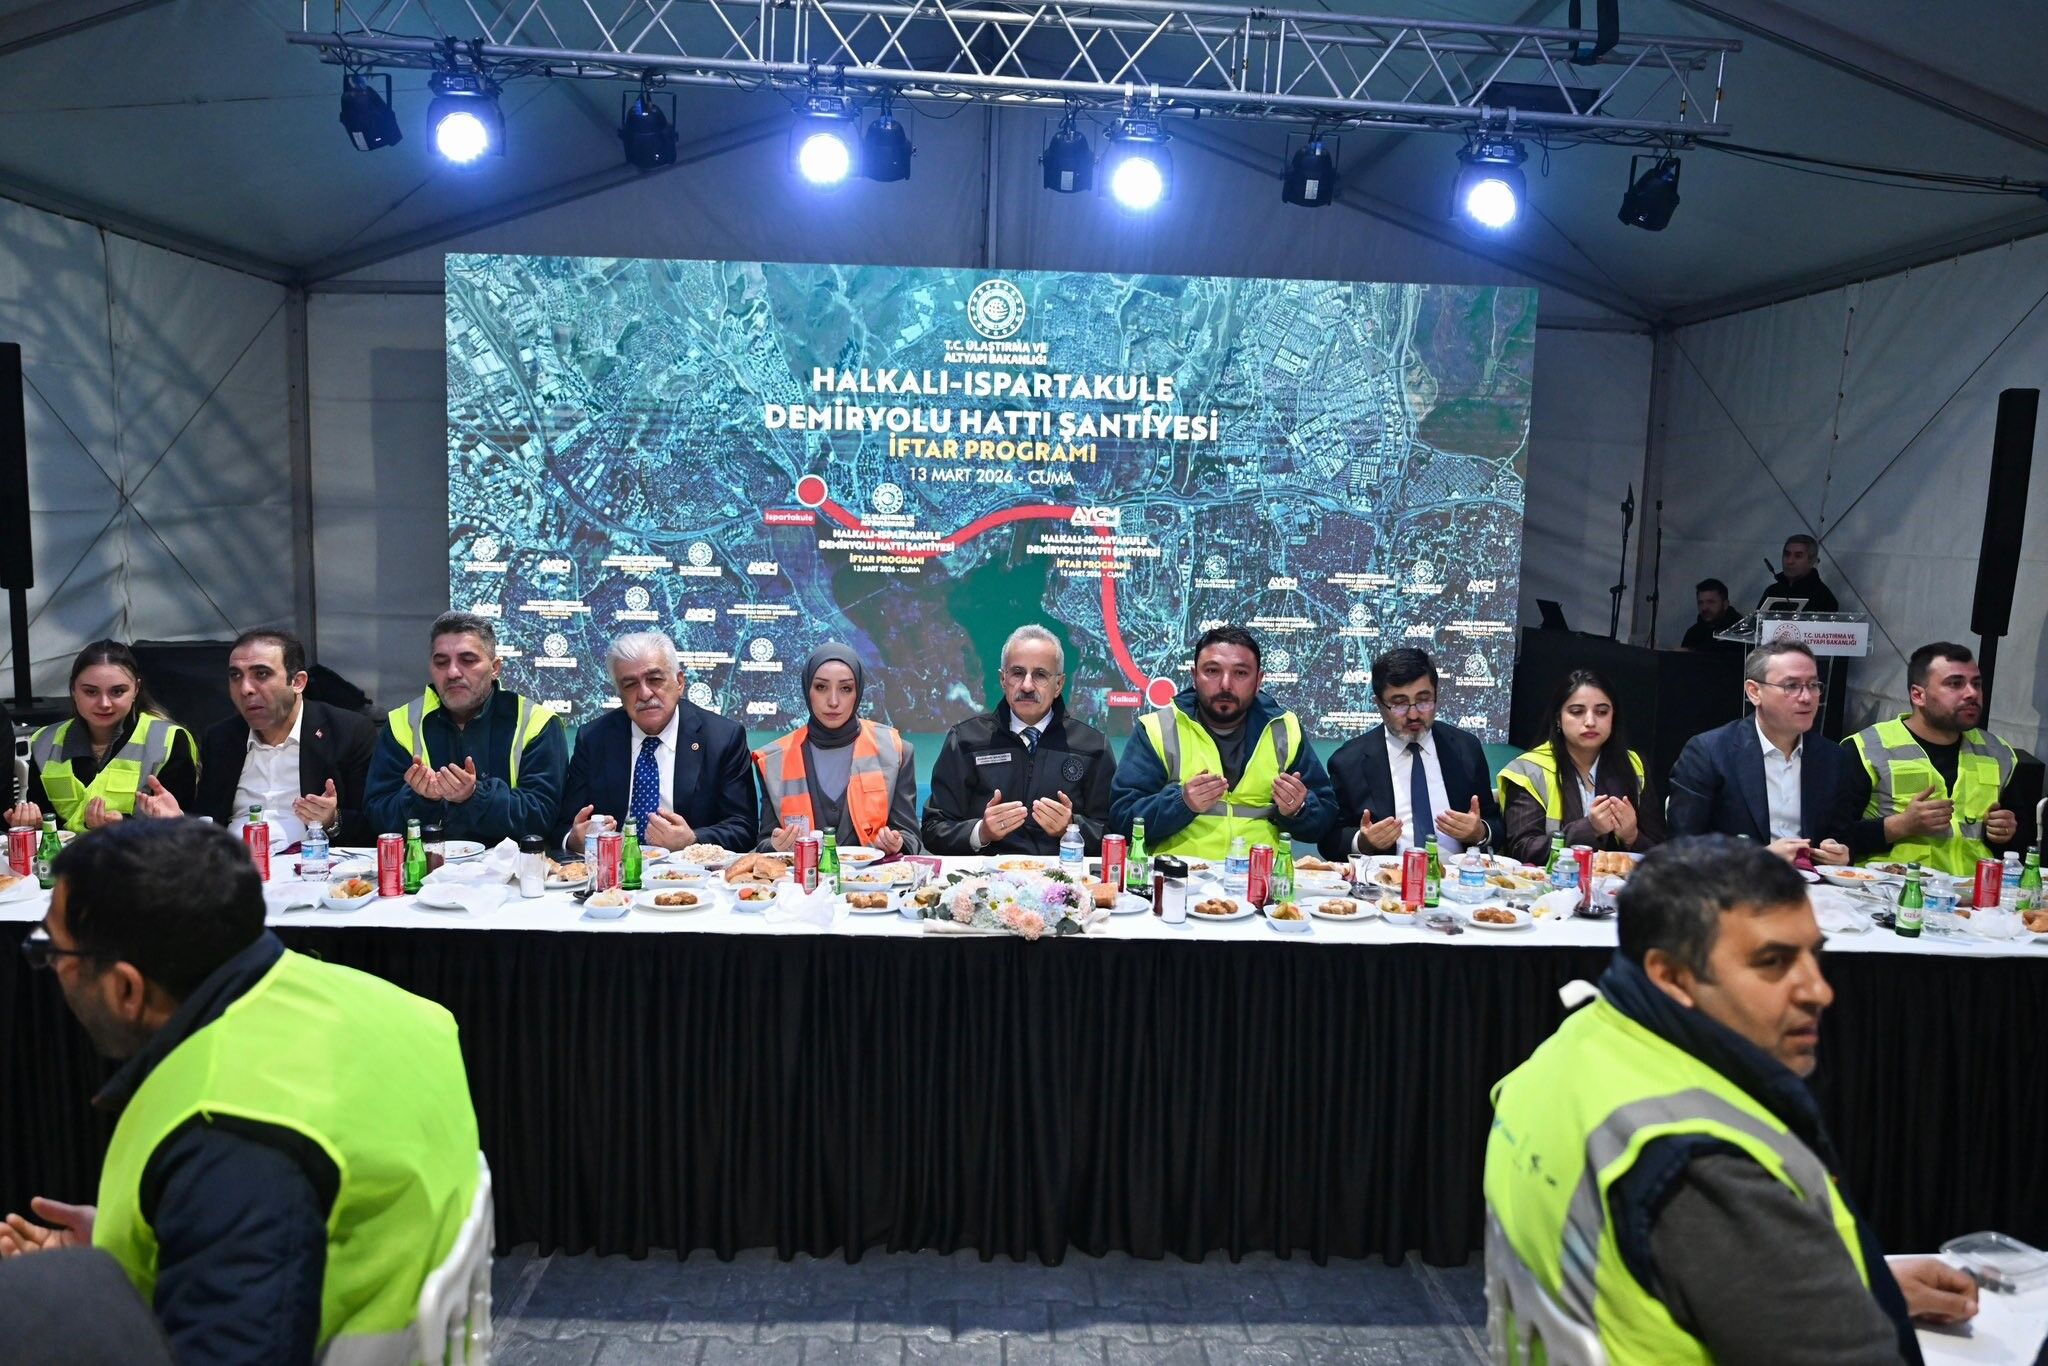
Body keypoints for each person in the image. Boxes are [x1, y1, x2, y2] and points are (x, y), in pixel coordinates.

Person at [0, 819, 481, 1366]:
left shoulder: (227, 1142)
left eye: (52, 952)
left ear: (126, 988)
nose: (53, 969)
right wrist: (134, 1245)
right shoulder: (388, 1006)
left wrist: (78, 1307)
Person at [1485, 836, 1978, 1363]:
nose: (1819, 990)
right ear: (1671, 975)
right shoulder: (1705, 1167)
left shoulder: (1568, 1048)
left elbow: (1666, 1275)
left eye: (1815, 955)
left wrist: (1849, 1282)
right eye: (1773, 962)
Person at [1108, 625, 1336, 859]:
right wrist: (1181, 803)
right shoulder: (1159, 728)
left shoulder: (1285, 729)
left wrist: (1299, 810)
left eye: (1240, 673)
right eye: (1212, 671)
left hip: (1260, 876)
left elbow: (1326, 820)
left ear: (1259, 680)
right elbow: (1121, 819)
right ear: (1194, 676)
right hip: (1177, 875)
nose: (1226, 684)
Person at [135, 629, 377, 847]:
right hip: (237, 867)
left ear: (297, 682)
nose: (245, 689)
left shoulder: (346, 732)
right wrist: (179, 821)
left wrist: (332, 820)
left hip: (313, 868)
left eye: (261, 674)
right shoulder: (220, 738)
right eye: (235, 676)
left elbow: (375, 825)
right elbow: (211, 822)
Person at [362, 610, 567, 845]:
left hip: (511, 866)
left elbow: (541, 817)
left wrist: (475, 795)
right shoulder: (402, 722)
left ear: (495, 668)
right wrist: (422, 799)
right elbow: (378, 817)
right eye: (441, 662)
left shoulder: (537, 722)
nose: (452, 672)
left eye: (468, 660)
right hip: (426, 864)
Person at [922, 625, 1117, 855]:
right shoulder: (965, 740)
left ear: (1059, 685)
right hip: (985, 876)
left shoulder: (1093, 747)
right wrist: (981, 832)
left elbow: (1114, 835)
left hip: (1063, 875)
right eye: (1017, 673)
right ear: (1003, 679)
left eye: (1040, 675)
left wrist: (1072, 828)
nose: (1026, 685)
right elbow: (933, 830)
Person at [1666, 640, 1866, 864]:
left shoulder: (1832, 757)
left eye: (1812, 685)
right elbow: (1681, 849)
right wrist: (1758, 858)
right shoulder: (1709, 752)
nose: (1807, 697)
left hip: (1813, 882)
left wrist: (1840, 854)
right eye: (1791, 686)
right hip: (1736, 881)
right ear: (1754, 692)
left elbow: (1844, 839)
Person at [558, 630, 756, 854]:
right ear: (619, 693)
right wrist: (574, 839)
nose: (644, 694)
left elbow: (743, 827)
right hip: (613, 868)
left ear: (679, 682)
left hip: (690, 870)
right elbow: (565, 825)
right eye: (630, 684)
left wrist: (692, 840)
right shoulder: (594, 738)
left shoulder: (723, 738)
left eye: (654, 680)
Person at [1844, 642, 2030, 876]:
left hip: (1973, 890)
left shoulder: (1998, 753)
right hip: (1892, 889)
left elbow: (2024, 845)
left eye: (1976, 684)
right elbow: (1832, 838)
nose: (1972, 693)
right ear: (1918, 695)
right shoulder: (1868, 748)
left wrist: (2007, 833)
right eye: (1955, 684)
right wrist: (1900, 825)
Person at [1317, 647, 1501, 861]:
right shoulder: (1348, 762)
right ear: (1379, 704)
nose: (1413, 714)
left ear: (1436, 695)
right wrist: (1363, 842)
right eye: (1399, 704)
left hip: (1457, 877)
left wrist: (1480, 832)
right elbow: (1329, 840)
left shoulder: (1465, 748)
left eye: (1424, 700)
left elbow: (1495, 824)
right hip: (1385, 879)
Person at [4, 641, 197, 835]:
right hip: (65, 854)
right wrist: (30, 824)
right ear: (73, 690)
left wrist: (124, 826)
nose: (104, 703)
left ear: (136, 689)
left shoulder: (168, 740)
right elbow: (47, 823)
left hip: (143, 852)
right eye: (91, 692)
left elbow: (186, 830)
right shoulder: (44, 742)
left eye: (117, 691)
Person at [753, 642, 922, 854]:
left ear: (858, 692)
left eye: (845, 689)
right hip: (803, 875)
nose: (833, 701)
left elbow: (910, 837)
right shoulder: (774, 759)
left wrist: (897, 844)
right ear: (807, 690)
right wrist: (776, 846)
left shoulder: (896, 750)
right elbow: (765, 841)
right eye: (821, 687)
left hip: (874, 874)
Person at [1497, 669, 1666, 865]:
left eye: (1602, 712)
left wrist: (1632, 836)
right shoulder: (1529, 770)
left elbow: (1662, 854)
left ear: (1614, 717)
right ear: (1558, 718)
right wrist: (1589, 828)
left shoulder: (1634, 765)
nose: (1590, 722)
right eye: (1577, 712)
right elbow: (1522, 850)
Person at [1758, 533, 1840, 613]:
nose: (1789, 561)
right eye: (1787, 554)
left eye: (1798, 556)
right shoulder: (1772, 591)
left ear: (1812, 561)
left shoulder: (1823, 597)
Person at [1678, 577, 1744, 652]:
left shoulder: (1741, 632)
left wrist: (1694, 652)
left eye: (1711, 602)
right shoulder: (1693, 633)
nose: (1704, 608)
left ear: (1725, 604)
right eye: (1701, 603)